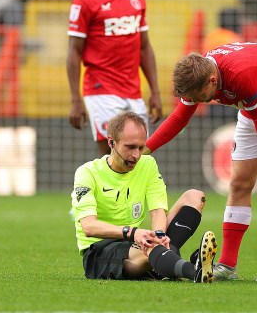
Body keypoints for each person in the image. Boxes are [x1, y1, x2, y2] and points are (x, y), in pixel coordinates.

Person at [145, 42, 257, 283]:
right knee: (239, 184)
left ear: (212, 81)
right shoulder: (199, 73)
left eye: (197, 97)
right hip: (252, 108)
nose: (195, 101)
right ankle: (228, 264)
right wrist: (146, 149)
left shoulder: (241, 75)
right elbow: (180, 117)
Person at [72, 111, 217, 282]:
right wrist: (133, 233)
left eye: (141, 147)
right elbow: (89, 227)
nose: (137, 155)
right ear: (111, 142)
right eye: (130, 147)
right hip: (100, 250)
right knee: (148, 249)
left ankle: (163, 261)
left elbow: (157, 212)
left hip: (136, 242)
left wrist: (159, 236)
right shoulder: (87, 172)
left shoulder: (147, 164)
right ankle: (192, 270)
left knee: (195, 197)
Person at [67, 0, 162, 156]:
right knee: (115, 158)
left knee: (139, 158)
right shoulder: (85, 1)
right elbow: (73, 52)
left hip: (134, 92)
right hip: (101, 91)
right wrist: (75, 99)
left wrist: (155, 91)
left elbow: (144, 48)